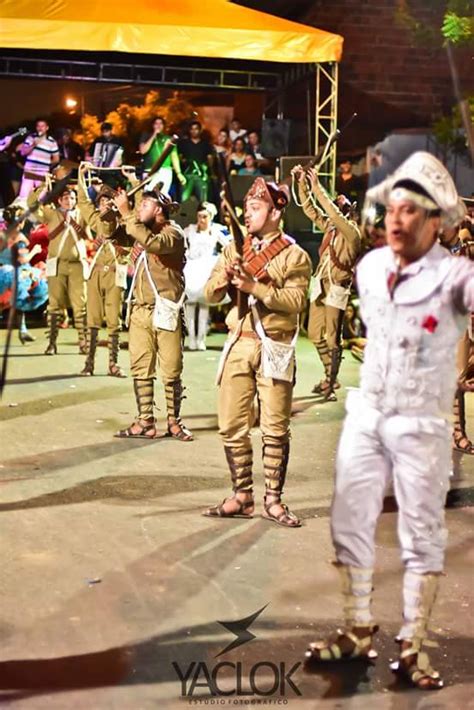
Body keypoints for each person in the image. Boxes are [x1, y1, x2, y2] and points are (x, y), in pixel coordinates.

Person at [304, 152, 474, 690]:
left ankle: (413, 646)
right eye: (392, 210)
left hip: (422, 423)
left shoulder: (455, 275)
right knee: (349, 522)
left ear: (436, 221)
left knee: (421, 534)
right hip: (368, 412)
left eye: (410, 211)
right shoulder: (371, 267)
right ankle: (356, 630)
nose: (396, 220)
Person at [203, 177, 312, 527]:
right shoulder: (235, 248)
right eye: (246, 208)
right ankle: (243, 495)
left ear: (276, 211)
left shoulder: (295, 254)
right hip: (240, 341)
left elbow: (296, 301)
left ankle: (274, 501)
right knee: (231, 424)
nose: (247, 214)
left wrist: (254, 286)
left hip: (274, 346)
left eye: (255, 208)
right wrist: (226, 280)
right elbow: (209, 294)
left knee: (275, 428)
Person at [113, 188, 193, 441]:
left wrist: (126, 213)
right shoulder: (139, 231)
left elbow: (153, 244)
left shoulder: (173, 234)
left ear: (158, 209)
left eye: (144, 205)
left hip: (165, 308)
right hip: (139, 309)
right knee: (140, 368)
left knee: (171, 369)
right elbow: (109, 234)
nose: (138, 209)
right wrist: (111, 212)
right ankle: (145, 421)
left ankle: (174, 422)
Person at [293, 165, 362, 400]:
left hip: (337, 287)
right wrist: (302, 183)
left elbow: (330, 213)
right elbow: (310, 209)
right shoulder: (332, 229)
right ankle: (329, 375)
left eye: (341, 208)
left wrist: (317, 186)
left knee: (333, 338)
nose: (337, 211)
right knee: (313, 333)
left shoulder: (352, 233)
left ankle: (331, 382)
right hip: (321, 284)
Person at [77, 164, 130, 377]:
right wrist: (81, 176)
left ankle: (113, 364)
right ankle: (89, 363)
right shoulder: (95, 219)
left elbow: (135, 215)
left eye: (109, 201)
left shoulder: (124, 223)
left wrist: (132, 181)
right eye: (101, 201)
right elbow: (82, 201)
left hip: (115, 273)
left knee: (113, 320)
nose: (105, 204)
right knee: (93, 319)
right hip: (96, 273)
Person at [27, 184, 88, 355]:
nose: (70, 201)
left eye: (73, 198)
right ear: (60, 200)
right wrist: (42, 189)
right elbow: (32, 205)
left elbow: (93, 215)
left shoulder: (81, 214)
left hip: (77, 264)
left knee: (80, 305)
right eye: (66, 198)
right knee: (54, 305)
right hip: (57, 264)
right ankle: (52, 343)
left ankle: (83, 341)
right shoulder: (51, 214)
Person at [183, 201, 231, 350]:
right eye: (199, 216)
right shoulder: (190, 230)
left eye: (204, 216)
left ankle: (201, 339)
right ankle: (191, 338)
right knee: (190, 304)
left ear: (210, 217)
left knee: (204, 304)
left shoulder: (217, 230)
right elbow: (181, 244)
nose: (201, 220)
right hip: (191, 268)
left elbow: (230, 244)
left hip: (207, 269)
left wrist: (223, 258)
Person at [0, 205, 48, 343]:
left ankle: (23, 330)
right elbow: (22, 260)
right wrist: (35, 251)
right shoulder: (19, 238)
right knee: (22, 296)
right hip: (13, 274)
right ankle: (22, 330)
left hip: (3, 271)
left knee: (17, 299)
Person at [138, 116, 185, 195]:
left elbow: (174, 156)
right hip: (150, 171)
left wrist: (179, 173)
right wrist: (153, 136)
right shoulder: (146, 136)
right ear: (153, 125)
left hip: (166, 170)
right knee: (149, 193)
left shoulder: (168, 139)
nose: (158, 126)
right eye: (156, 123)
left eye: (161, 123)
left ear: (163, 126)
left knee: (163, 194)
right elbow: (143, 151)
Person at [17, 119, 60, 199]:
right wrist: (33, 144)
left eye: (42, 126)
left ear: (47, 128)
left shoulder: (52, 141)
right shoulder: (31, 138)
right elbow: (23, 152)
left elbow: (56, 159)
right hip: (29, 171)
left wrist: (46, 164)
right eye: (38, 126)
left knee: (41, 197)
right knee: (24, 196)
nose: (40, 128)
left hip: (42, 173)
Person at [178, 121, 214, 202]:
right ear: (189, 131)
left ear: (200, 130)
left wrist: (208, 171)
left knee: (203, 200)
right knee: (184, 200)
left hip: (201, 175)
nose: (194, 131)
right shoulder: (183, 143)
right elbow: (179, 157)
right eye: (192, 129)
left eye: (196, 129)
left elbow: (210, 159)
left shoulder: (206, 144)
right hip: (187, 175)